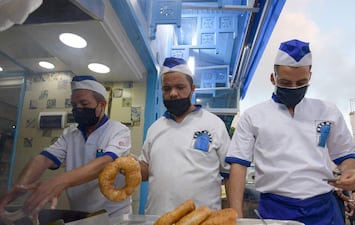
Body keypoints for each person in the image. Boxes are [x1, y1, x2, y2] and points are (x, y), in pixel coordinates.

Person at [225, 39, 355, 225]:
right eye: (285, 82)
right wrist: (237, 217)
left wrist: (354, 172)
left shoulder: (328, 112)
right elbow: (238, 167)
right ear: (273, 78)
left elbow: (346, 158)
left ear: (310, 77)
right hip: (276, 210)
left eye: (301, 82)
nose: (293, 88)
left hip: (324, 208)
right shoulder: (253, 116)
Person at [0, 75, 132, 218]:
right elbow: (43, 159)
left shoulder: (118, 130)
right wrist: (20, 187)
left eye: (84, 103)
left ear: (102, 105)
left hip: (114, 215)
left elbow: (106, 162)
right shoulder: (70, 133)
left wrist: (59, 182)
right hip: (80, 214)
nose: (78, 108)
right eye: (74, 105)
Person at [138, 57, 231, 215]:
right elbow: (145, 171)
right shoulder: (155, 128)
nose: (173, 93)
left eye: (180, 87)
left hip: (202, 220)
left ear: (192, 88)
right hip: (158, 217)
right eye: (167, 89)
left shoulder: (214, 124)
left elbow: (229, 174)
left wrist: (232, 214)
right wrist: (125, 163)